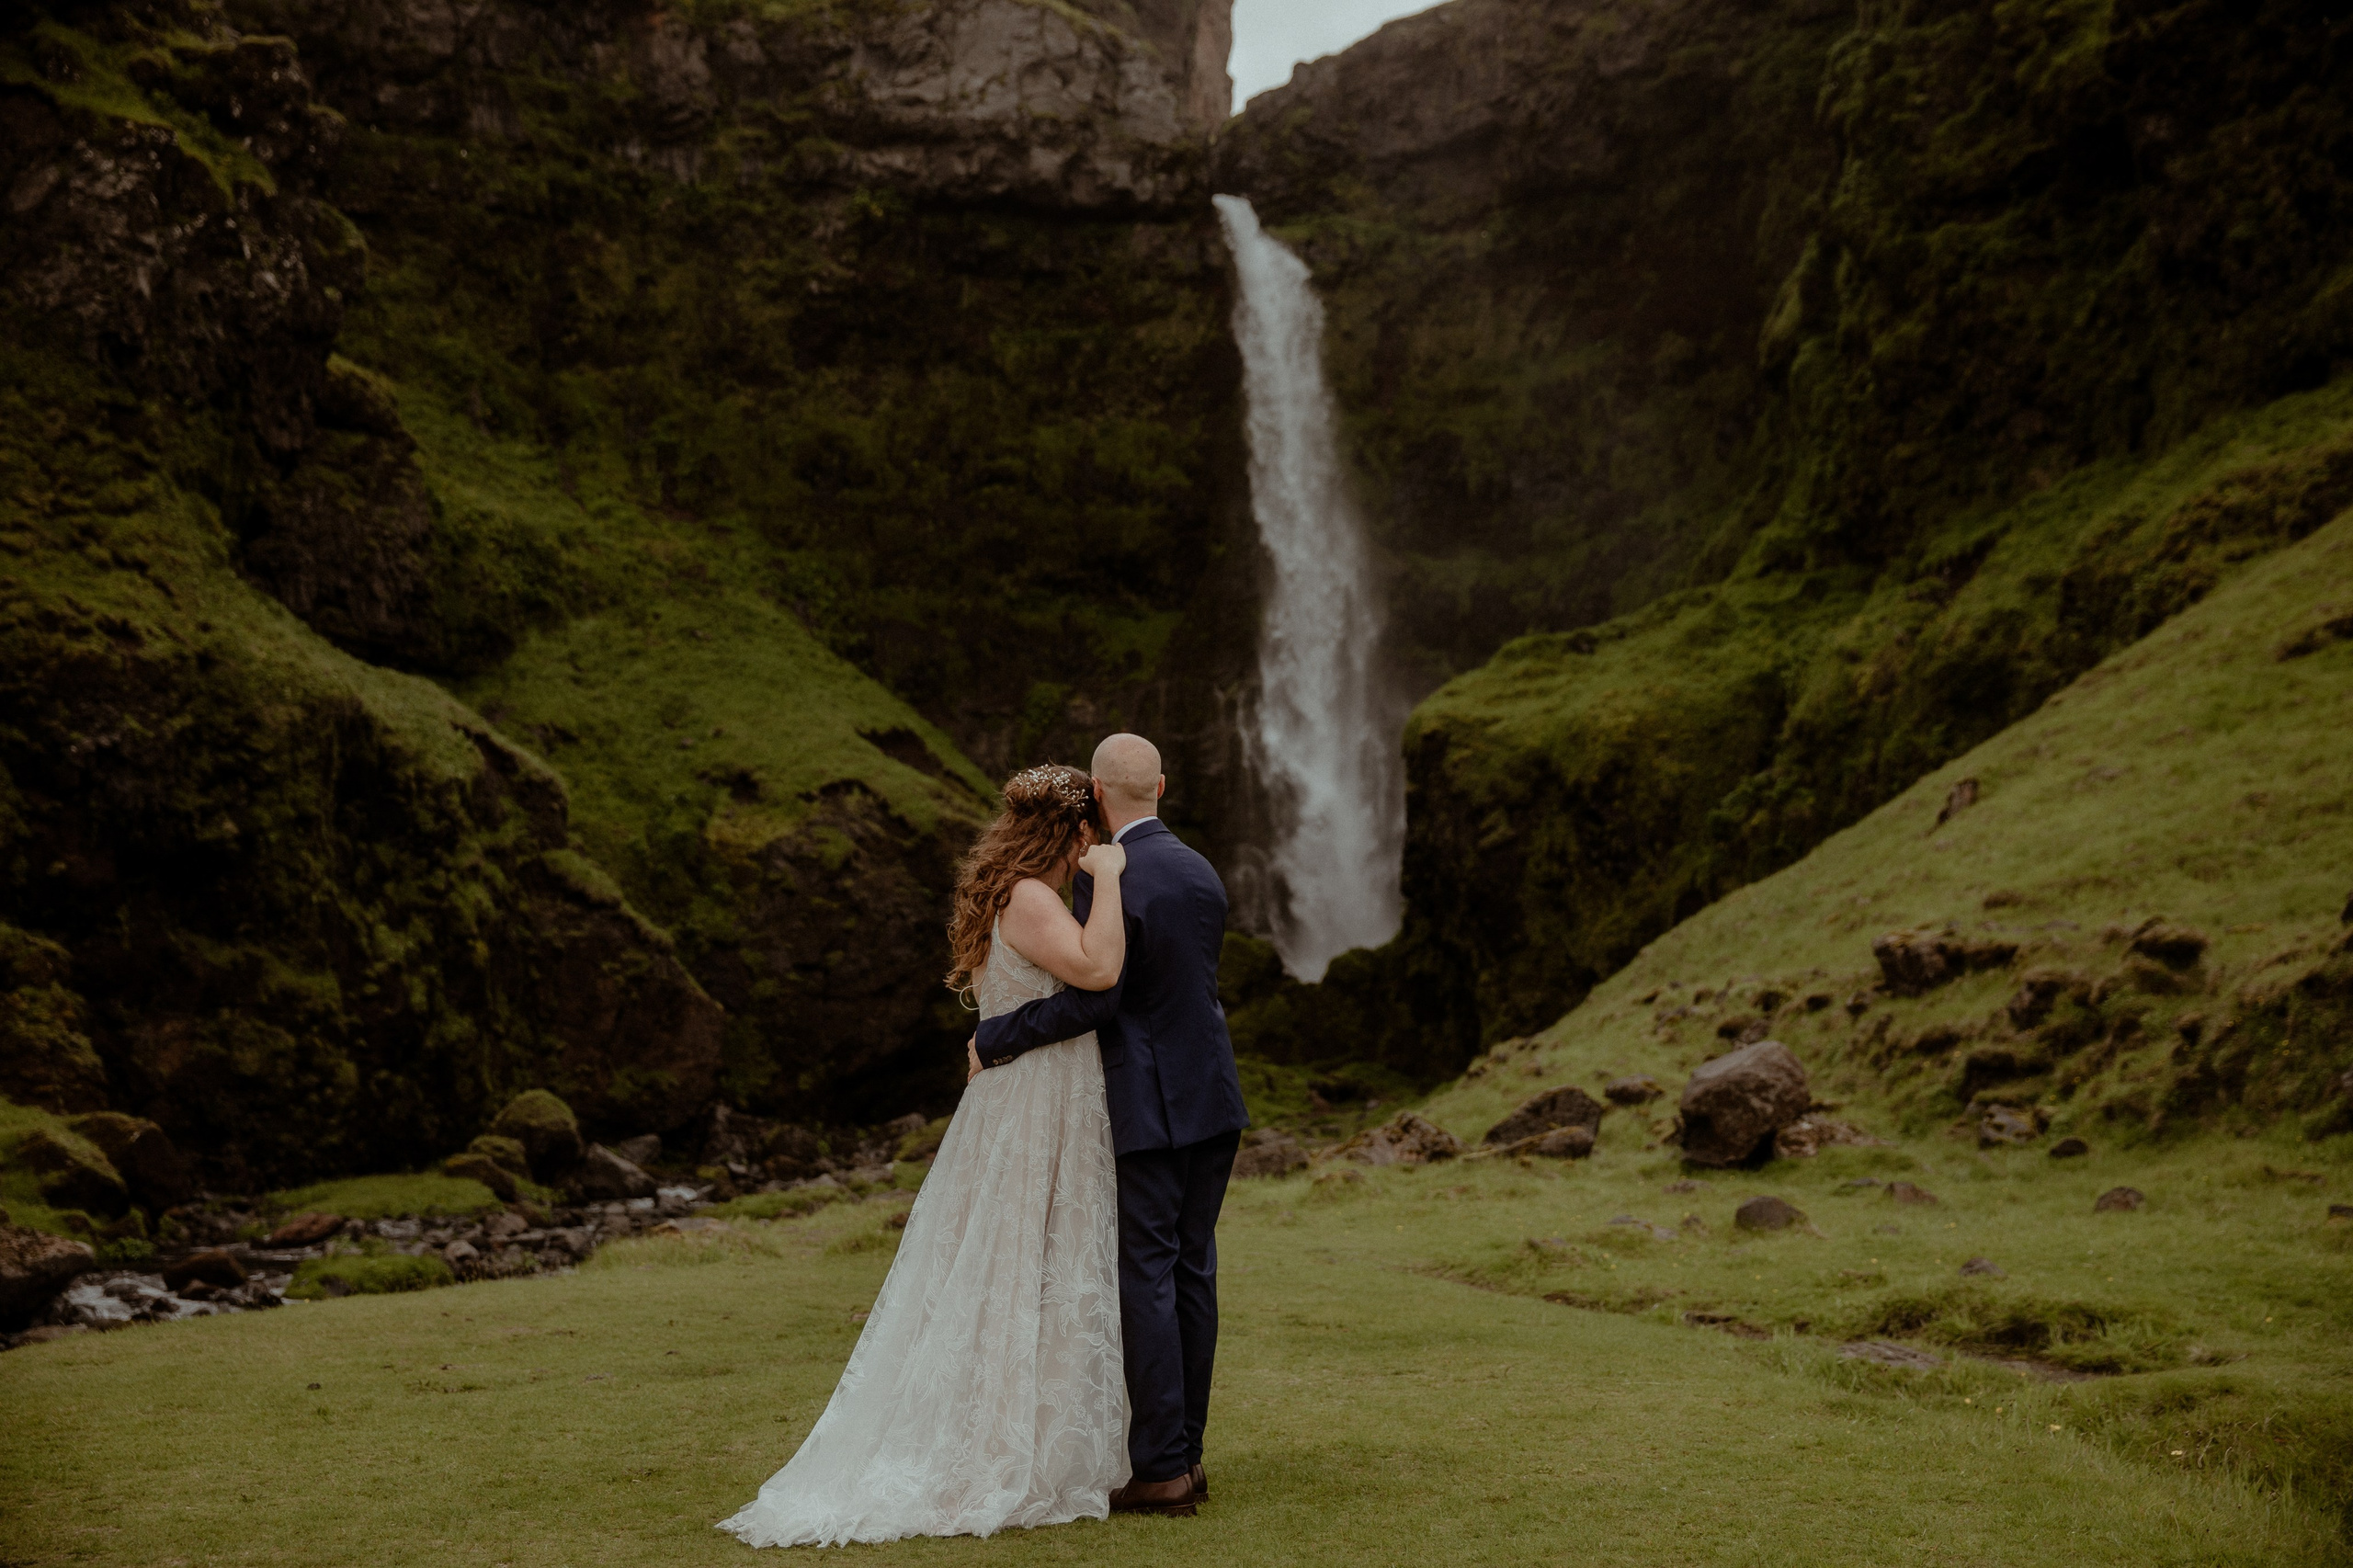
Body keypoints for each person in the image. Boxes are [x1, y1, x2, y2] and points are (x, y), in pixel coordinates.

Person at [717, 763, 1131, 1547]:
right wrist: (1107, 880)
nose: (1099, 845)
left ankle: (1031, 1435)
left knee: (1026, 1263)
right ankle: (999, 1448)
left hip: (1028, 1093)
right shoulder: (1037, 898)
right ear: (1076, 833)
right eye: (1092, 835)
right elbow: (1101, 970)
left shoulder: (1010, 891)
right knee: (1016, 1262)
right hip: (1035, 1099)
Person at [972, 732, 1251, 1517]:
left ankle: (1160, 1468)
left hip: (1152, 1104)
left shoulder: (1109, 877)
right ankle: (1188, 1456)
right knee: (1194, 1272)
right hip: (1214, 1098)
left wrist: (996, 1037)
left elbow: (1101, 994)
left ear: (1098, 793)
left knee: (1149, 1276)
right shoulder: (1199, 869)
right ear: (1160, 784)